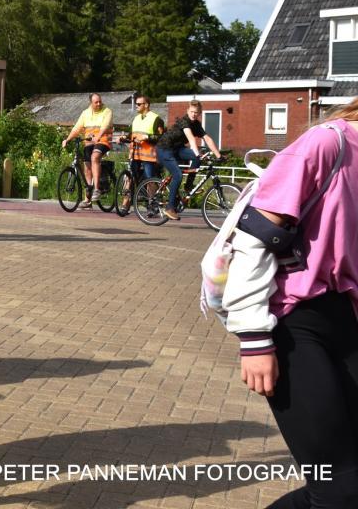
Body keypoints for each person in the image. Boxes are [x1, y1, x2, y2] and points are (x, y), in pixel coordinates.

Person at [223, 97, 358, 507]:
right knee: (337, 489)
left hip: (349, 322)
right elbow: (253, 239)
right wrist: (254, 339)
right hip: (295, 323)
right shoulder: (327, 144)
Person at [154, 100, 222, 221]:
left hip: (177, 149)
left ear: (199, 113)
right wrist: (197, 154)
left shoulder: (196, 124)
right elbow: (191, 139)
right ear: (187, 111)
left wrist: (218, 155)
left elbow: (207, 138)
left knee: (196, 158)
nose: (193, 114)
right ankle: (169, 208)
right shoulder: (184, 121)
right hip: (164, 149)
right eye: (191, 111)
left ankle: (188, 186)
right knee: (178, 175)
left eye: (196, 112)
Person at [61, 93, 113, 207]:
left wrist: (98, 136)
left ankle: (97, 189)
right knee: (87, 168)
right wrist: (67, 139)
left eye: (100, 101)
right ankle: (87, 199)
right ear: (91, 103)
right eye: (96, 102)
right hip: (89, 143)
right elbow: (77, 128)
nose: (99, 104)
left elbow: (105, 126)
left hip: (103, 141)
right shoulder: (85, 113)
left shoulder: (107, 111)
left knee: (95, 157)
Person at [121, 95, 164, 211]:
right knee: (130, 178)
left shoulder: (156, 119)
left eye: (139, 104)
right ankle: (126, 204)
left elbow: (161, 137)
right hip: (135, 154)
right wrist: (124, 137)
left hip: (149, 156)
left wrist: (147, 137)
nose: (136, 106)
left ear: (146, 105)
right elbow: (132, 134)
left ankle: (152, 204)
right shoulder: (136, 119)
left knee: (149, 180)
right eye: (136, 104)